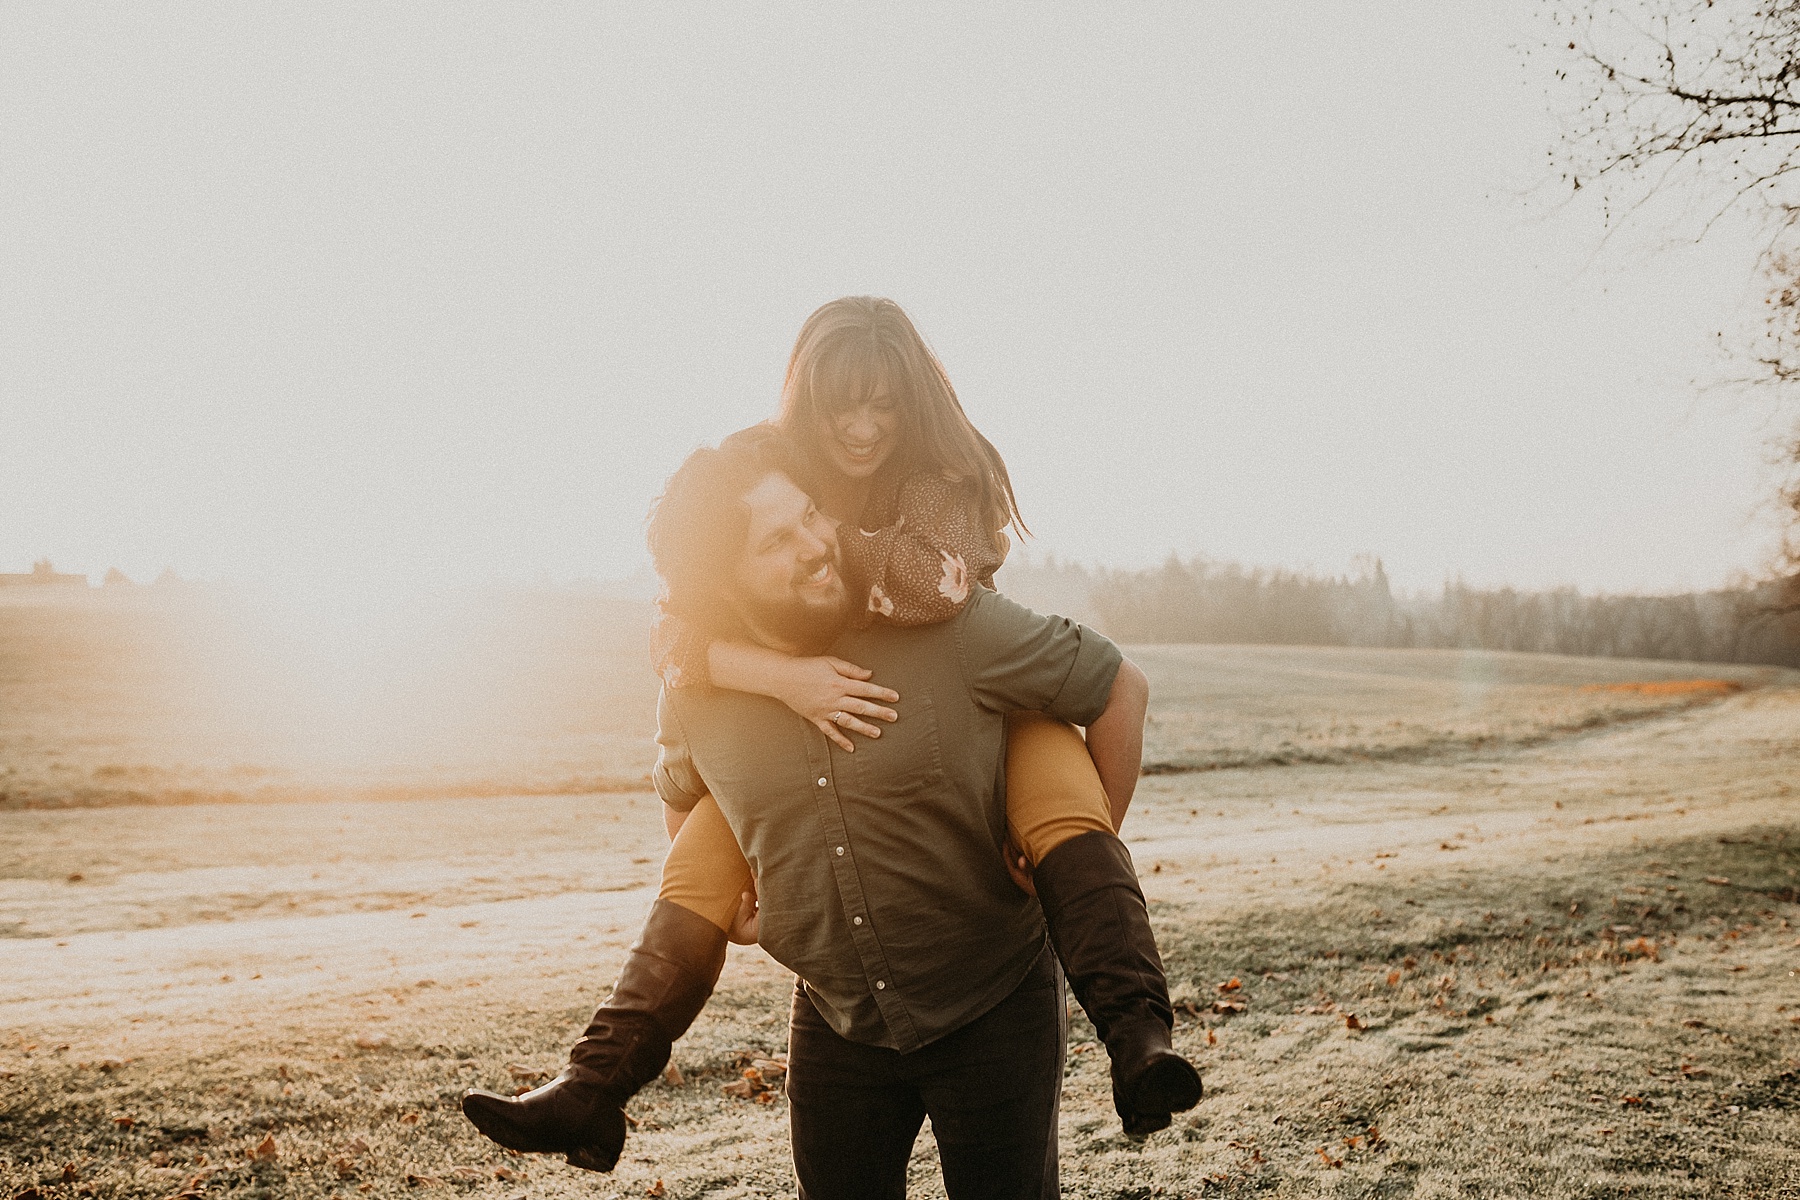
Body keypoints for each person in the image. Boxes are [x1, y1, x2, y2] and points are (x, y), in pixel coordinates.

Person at [462, 300, 1200, 1177]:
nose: (861, 428)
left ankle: (1137, 1036)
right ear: (802, 405)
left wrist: (812, 554)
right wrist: (765, 671)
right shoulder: (771, 476)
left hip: (975, 692)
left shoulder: (940, 482)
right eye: (838, 407)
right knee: (709, 835)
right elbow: (676, 649)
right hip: (842, 1008)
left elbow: (937, 589)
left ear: (911, 401)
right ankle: (593, 1086)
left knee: (1058, 789)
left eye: (881, 404)